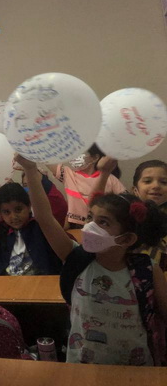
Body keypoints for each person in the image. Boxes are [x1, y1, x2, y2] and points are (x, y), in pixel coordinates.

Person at [18, 154, 167, 366]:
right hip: (82, 366)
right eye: (90, 218)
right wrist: (31, 170)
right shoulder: (77, 258)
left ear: (126, 239)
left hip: (136, 369)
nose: (90, 227)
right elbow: (44, 218)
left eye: (103, 222)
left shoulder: (148, 270)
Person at [0, 171, 67, 276]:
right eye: (6, 212)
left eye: (18, 209)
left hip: (42, 281)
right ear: (0, 213)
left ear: (29, 206)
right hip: (9, 282)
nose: (13, 217)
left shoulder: (43, 226)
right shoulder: (1, 230)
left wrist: (33, 171)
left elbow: (59, 206)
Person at [96, 158, 167, 271]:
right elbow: (97, 209)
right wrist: (104, 174)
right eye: (148, 181)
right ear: (135, 190)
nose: (156, 186)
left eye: (164, 182)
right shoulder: (124, 212)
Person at [49, 144, 126, 229]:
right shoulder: (69, 175)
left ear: (95, 158)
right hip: (75, 225)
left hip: (100, 226)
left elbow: (126, 202)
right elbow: (47, 159)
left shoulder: (109, 178)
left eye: (80, 152)